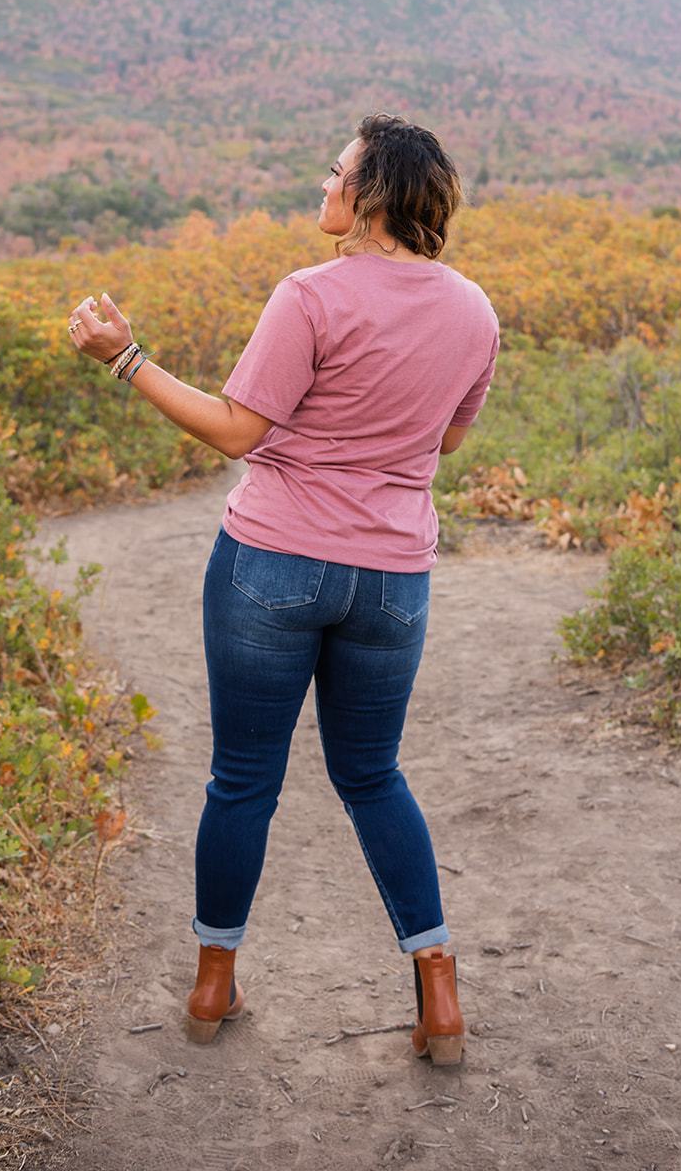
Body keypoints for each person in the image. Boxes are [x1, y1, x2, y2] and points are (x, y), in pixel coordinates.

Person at [66, 113, 500, 1067]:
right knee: (373, 775)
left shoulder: (309, 296)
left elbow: (233, 431)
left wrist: (125, 359)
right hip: (392, 581)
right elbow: (449, 442)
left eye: (336, 172)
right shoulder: (475, 311)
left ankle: (214, 981)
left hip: (273, 564)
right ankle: (439, 993)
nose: (324, 184)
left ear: (372, 193)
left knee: (244, 780)